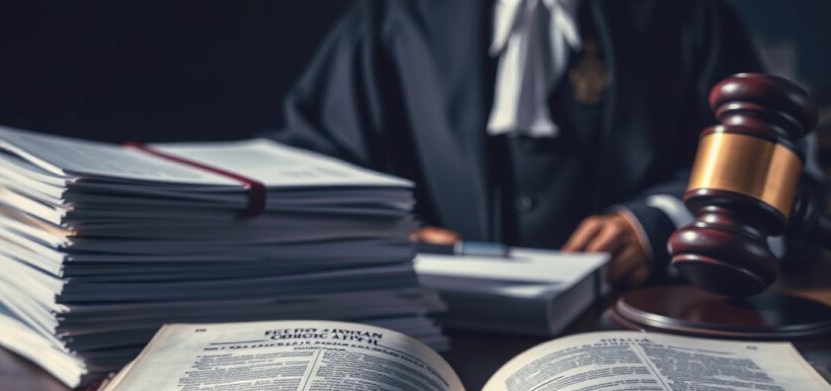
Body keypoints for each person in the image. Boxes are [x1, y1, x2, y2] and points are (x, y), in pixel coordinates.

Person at [273, 0, 766, 286]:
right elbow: (314, 159)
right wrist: (383, 230)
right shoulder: (394, 16)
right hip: (433, 319)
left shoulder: (688, 14)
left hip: (633, 321)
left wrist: (655, 226)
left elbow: (761, 166)